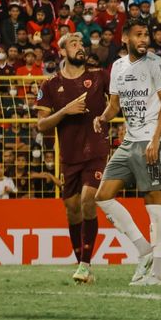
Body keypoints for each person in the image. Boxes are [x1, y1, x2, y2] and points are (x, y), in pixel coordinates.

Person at [93, 17, 161, 286]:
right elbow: (115, 105)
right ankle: (143, 249)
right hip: (129, 141)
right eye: (138, 35)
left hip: (151, 140)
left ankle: (158, 273)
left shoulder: (156, 64)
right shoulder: (116, 67)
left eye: (146, 35)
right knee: (103, 196)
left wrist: (155, 140)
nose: (144, 40)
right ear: (125, 38)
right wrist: (103, 118)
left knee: (153, 202)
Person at [36, 32, 110, 284]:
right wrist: (65, 112)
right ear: (62, 51)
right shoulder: (49, 85)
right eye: (74, 44)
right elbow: (41, 125)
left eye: (82, 44)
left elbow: (119, 100)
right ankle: (82, 264)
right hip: (69, 156)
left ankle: (85, 265)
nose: (80, 48)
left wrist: (106, 118)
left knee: (89, 200)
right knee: (72, 210)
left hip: (96, 150)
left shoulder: (99, 77)